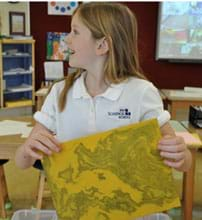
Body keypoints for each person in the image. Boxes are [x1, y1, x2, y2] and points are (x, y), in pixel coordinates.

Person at [15, 0, 191, 208]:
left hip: (129, 210)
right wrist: (28, 149)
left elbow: (184, 162)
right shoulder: (60, 92)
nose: (67, 40)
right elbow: (21, 161)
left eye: (75, 32)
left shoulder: (142, 92)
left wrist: (180, 154)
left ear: (102, 45)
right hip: (77, 210)